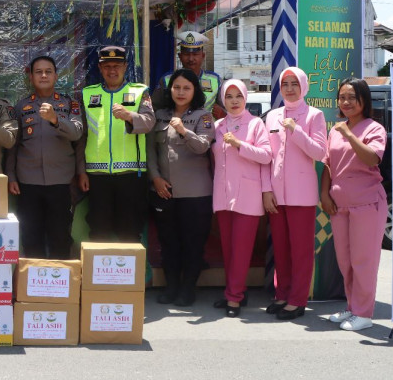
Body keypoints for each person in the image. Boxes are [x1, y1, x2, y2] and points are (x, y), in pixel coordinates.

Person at [260, 67, 327, 320]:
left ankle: (297, 300)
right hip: (276, 193)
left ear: (303, 86)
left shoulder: (314, 115)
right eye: (285, 83)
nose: (289, 88)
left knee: (300, 250)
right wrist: (266, 190)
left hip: (302, 194)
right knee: (281, 248)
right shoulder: (272, 116)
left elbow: (320, 153)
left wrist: (296, 131)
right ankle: (282, 293)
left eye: (294, 83)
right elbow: (267, 157)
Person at [321, 78, 387, 332]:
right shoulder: (334, 130)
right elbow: (328, 164)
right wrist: (324, 194)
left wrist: (349, 134)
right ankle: (352, 306)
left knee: (363, 261)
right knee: (345, 261)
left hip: (367, 204)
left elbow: (372, 158)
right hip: (340, 206)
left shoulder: (374, 129)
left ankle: (364, 313)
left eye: (351, 97)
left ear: (364, 100)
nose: (346, 102)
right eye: (342, 97)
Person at [147, 68, 215, 306]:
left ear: (194, 90)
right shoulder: (160, 114)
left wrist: (184, 130)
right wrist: (155, 178)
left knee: (192, 243)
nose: (181, 92)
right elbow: (151, 151)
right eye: (176, 87)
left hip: (195, 194)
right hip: (164, 192)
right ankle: (171, 287)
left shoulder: (203, 116)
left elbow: (203, 147)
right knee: (169, 243)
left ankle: (188, 289)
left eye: (186, 87)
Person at [6, 55, 83, 259]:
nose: (43, 75)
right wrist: (11, 176)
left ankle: (59, 285)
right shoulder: (21, 107)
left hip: (61, 182)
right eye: (38, 72)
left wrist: (55, 119)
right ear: (31, 77)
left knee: (60, 236)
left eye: (48, 71)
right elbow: (13, 145)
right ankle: (33, 287)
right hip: (28, 183)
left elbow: (77, 135)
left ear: (56, 76)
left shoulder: (69, 104)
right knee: (31, 237)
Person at [76, 45, 155, 242]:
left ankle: (129, 272)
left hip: (131, 175)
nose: (112, 70)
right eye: (107, 66)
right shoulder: (87, 94)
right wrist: (81, 170)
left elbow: (149, 123)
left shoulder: (139, 92)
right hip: (97, 175)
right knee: (98, 230)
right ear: (100, 69)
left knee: (129, 231)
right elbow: (81, 136)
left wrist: (130, 116)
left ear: (126, 67)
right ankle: (98, 272)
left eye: (117, 66)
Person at [210, 79, 272, 317]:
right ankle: (235, 290)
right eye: (229, 96)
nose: (234, 101)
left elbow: (266, 155)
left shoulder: (255, 124)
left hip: (246, 195)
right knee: (228, 247)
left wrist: (239, 144)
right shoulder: (217, 125)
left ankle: (234, 298)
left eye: (238, 96)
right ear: (222, 100)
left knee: (241, 248)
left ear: (245, 98)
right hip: (223, 194)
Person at [152, 30, 223, 113]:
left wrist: (222, 114)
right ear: (180, 56)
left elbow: (228, 109)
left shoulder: (215, 80)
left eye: (195, 54)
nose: (191, 59)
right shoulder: (166, 80)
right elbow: (154, 110)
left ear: (203, 56)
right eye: (186, 54)